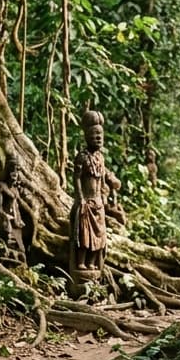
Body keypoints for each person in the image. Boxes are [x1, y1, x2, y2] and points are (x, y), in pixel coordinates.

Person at [69, 110, 124, 281]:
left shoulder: (100, 157)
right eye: (94, 134)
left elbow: (104, 177)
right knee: (84, 236)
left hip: (98, 203)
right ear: (86, 136)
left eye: (100, 134)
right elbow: (76, 179)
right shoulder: (82, 158)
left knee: (99, 236)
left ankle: (93, 263)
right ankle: (81, 263)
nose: (98, 137)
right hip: (86, 202)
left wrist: (111, 184)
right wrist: (80, 198)